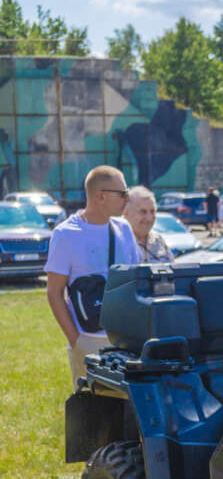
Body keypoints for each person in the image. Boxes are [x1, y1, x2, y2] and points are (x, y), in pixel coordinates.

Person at [45, 165, 140, 389]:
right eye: (123, 193)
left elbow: (135, 279)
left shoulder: (124, 229)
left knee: (127, 411)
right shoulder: (65, 234)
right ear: (100, 196)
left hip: (126, 337)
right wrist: (76, 340)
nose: (128, 199)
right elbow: (54, 293)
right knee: (90, 411)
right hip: (88, 338)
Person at [124, 185, 173, 262]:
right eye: (143, 212)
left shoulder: (158, 240)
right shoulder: (119, 242)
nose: (149, 218)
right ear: (126, 213)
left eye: (152, 211)